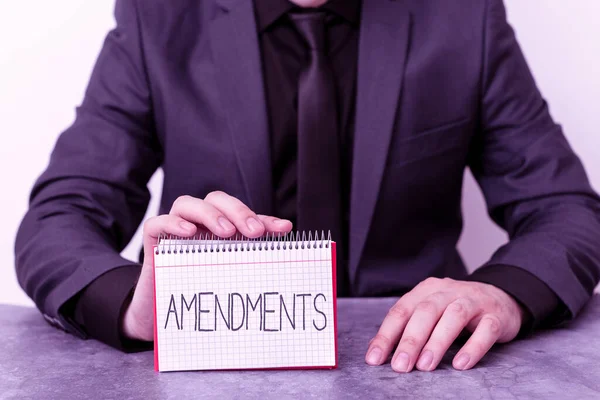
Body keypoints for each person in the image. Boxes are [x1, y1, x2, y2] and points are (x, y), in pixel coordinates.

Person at [15, 0, 600, 374]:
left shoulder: (463, 18)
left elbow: (565, 208)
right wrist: (134, 309)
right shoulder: (158, 18)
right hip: (217, 364)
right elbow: (59, 217)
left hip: (418, 364)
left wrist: (503, 294)